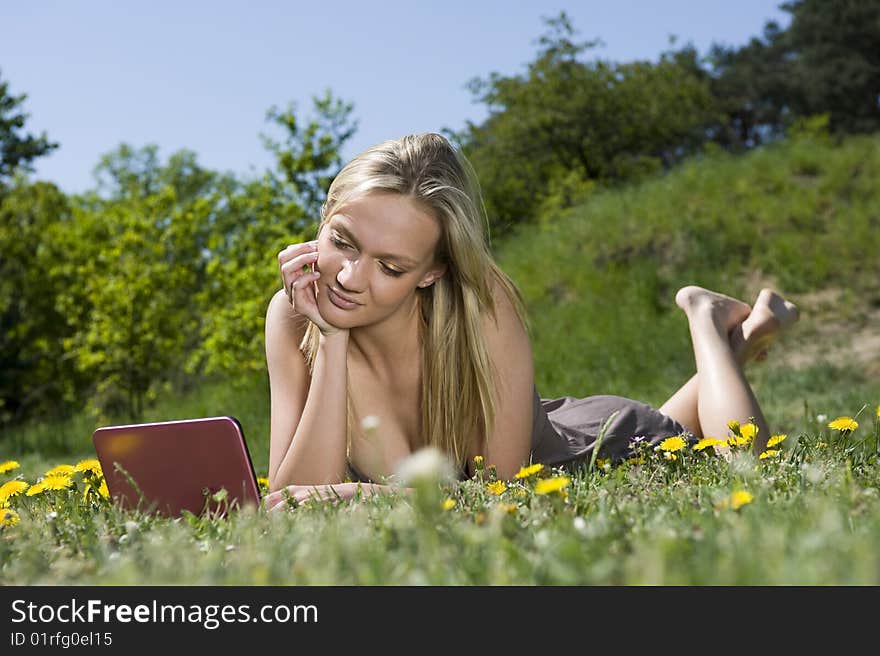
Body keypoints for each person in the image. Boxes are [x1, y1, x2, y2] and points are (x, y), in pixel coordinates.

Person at [263, 133, 798, 511]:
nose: (351, 278)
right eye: (342, 242)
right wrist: (332, 339)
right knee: (689, 427)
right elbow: (292, 503)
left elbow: (507, 493)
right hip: (556, 427)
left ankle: (708, 324)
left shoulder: (480, 302)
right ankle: (742, 341)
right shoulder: (294, 314)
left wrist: (372, 496)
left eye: (391, 267)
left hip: (588, 456)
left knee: (746, 463)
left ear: (432, 273)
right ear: (323, 221)